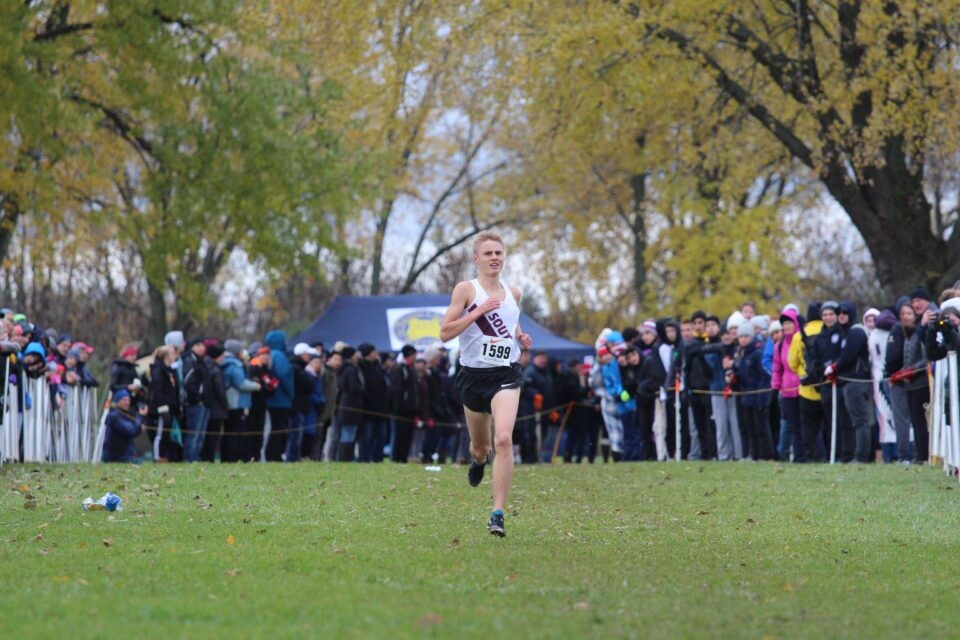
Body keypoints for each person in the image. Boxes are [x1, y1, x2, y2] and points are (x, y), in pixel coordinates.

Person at [440, 231, 533, 537]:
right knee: (481, 447)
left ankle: (498, 513)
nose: (494, 258)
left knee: (503, 439)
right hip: (473, 376)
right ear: (476, 258)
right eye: (488, 253)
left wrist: (519, 336)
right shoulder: (466, 289)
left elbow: (509, 319)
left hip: (505, 375)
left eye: (499, 253)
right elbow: (445, 333)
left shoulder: (514, 292)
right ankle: (478, 460)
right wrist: (479, 311)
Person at [388, 344, 419, 463]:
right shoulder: (400, 369)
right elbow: (396, 390)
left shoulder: (411, 369)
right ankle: (396, 458)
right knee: (399, 434)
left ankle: (403, 457)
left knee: (407, 435)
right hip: (401, 409)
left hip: (411, 409)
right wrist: (399, 405)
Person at [102, 389, 148, 463]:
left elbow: (133, 432)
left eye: (128, 400)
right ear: (117, 401)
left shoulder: (123, 414)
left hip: (126, 454)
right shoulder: (114, 416)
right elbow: (130, 431)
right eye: (124, 400)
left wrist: (139, 428)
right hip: (117, 457)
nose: (127, 403)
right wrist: (140, 416)